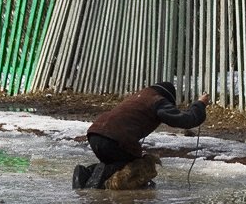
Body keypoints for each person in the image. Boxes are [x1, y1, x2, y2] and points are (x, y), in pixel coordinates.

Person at [74, 81, 210, 189]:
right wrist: (199, 104)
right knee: (135, 166)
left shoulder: (140, 96)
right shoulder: (158, 100)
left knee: (115, 161)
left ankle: (86, 174)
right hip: (114, 138)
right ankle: (97, 181)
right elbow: (184, 120)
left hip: (95, 133)